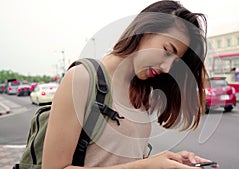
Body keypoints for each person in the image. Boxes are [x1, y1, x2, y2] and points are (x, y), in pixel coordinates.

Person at [42, 1, 219, 169]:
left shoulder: (141, 92)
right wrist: (145, 166)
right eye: (167, 51)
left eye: (175, 62)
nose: (167, 69)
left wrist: (169, 163)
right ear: (144, 30)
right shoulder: (82, 78)